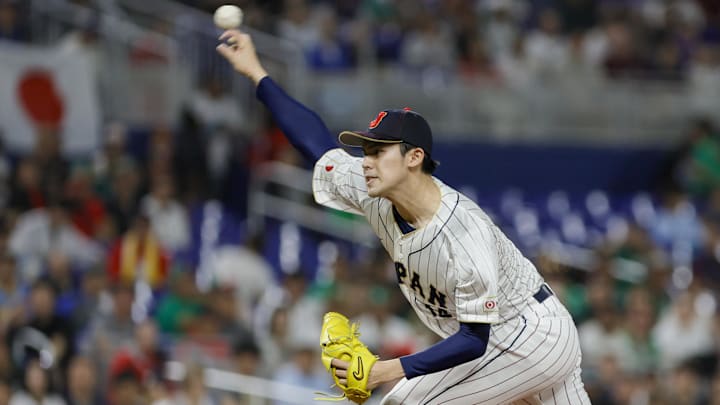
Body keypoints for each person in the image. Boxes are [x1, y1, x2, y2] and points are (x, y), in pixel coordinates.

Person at [217, 30, 591, 404]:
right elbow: (315, 143)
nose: (366, 161)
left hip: (526, 334)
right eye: (365, 151)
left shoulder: (463, 229)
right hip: (516, 337)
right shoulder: (374, 189)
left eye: (378, 151)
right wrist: (257, 73)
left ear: (414, 158)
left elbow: (474, 339)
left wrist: (385, 370)